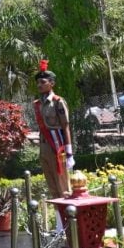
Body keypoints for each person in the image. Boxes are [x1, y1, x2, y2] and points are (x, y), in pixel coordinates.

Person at [33, 60, 74, 231]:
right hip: (44, 147)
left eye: (43, 82)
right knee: (52, 186)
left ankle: (70, 222)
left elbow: (65, 126)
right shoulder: (37, 104)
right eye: (38, 82)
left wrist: (70, 153)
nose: (40, 85)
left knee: (63, 186)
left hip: (58, 147)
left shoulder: (58, 102)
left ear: (52, 83)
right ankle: (59, 223)